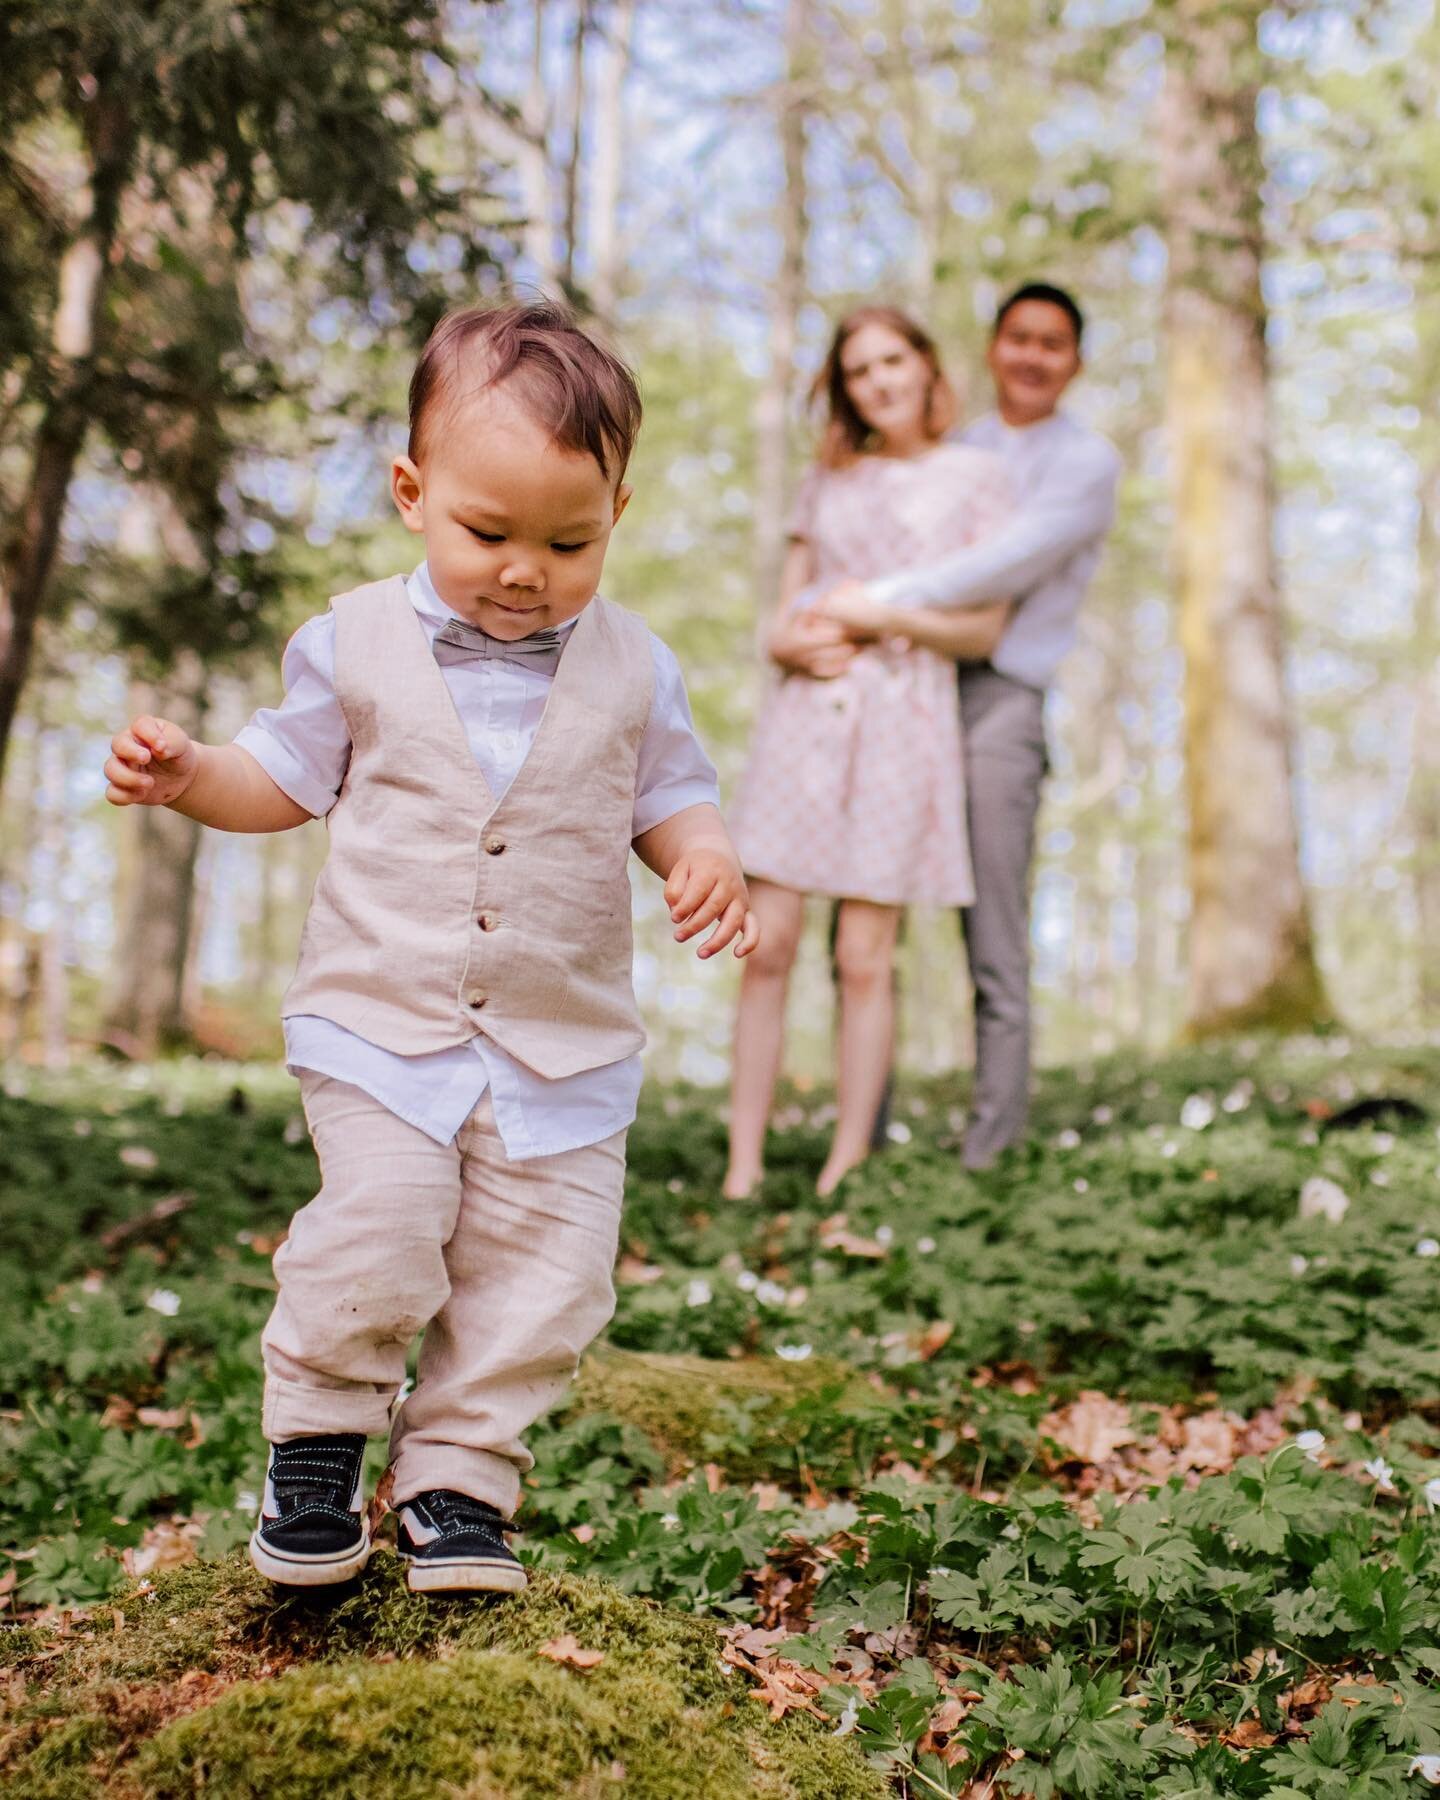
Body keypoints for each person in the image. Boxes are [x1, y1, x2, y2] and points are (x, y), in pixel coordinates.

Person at [103, 302, 758, 1594]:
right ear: (412, 492)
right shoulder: (352, 640)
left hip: (560, 1042)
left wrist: (705, 856)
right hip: (380, 1016)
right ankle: (316, 1450)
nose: (525, 570)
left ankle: (462, 1480)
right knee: (380, 1230)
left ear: (618, 509)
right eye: (488, 533)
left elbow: (668, 796)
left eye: (569, 541)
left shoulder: (637, 664)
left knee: (548, 1275)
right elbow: (279, 780)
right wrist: (191, 777)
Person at [800, 281, 1122, 1169]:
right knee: (861, 917)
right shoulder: (957, 450)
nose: (1031, 356)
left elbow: (1000, 566)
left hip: (998, 700)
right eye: (1018, 338)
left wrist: (877, 601)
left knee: (993, 930)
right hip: (905, 682)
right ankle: (861, 1133)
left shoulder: (1084, 465)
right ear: (990, 349)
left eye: (1052, 344)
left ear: (1074, 362)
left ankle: (989, 1151)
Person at [723, 306, 1011, 1200]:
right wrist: (789, 643)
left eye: (893, 361)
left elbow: (982, 628)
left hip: (902, 722)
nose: (879, 382)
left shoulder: (980, 478)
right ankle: (742, 1165)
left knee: (863, 954)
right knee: (765, 943)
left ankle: (846, 1162)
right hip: (807, 715)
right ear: (843, 388)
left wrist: (877, 615)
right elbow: (785, 611)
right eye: (859, 371)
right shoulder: (829, 479)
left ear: (927, 367)